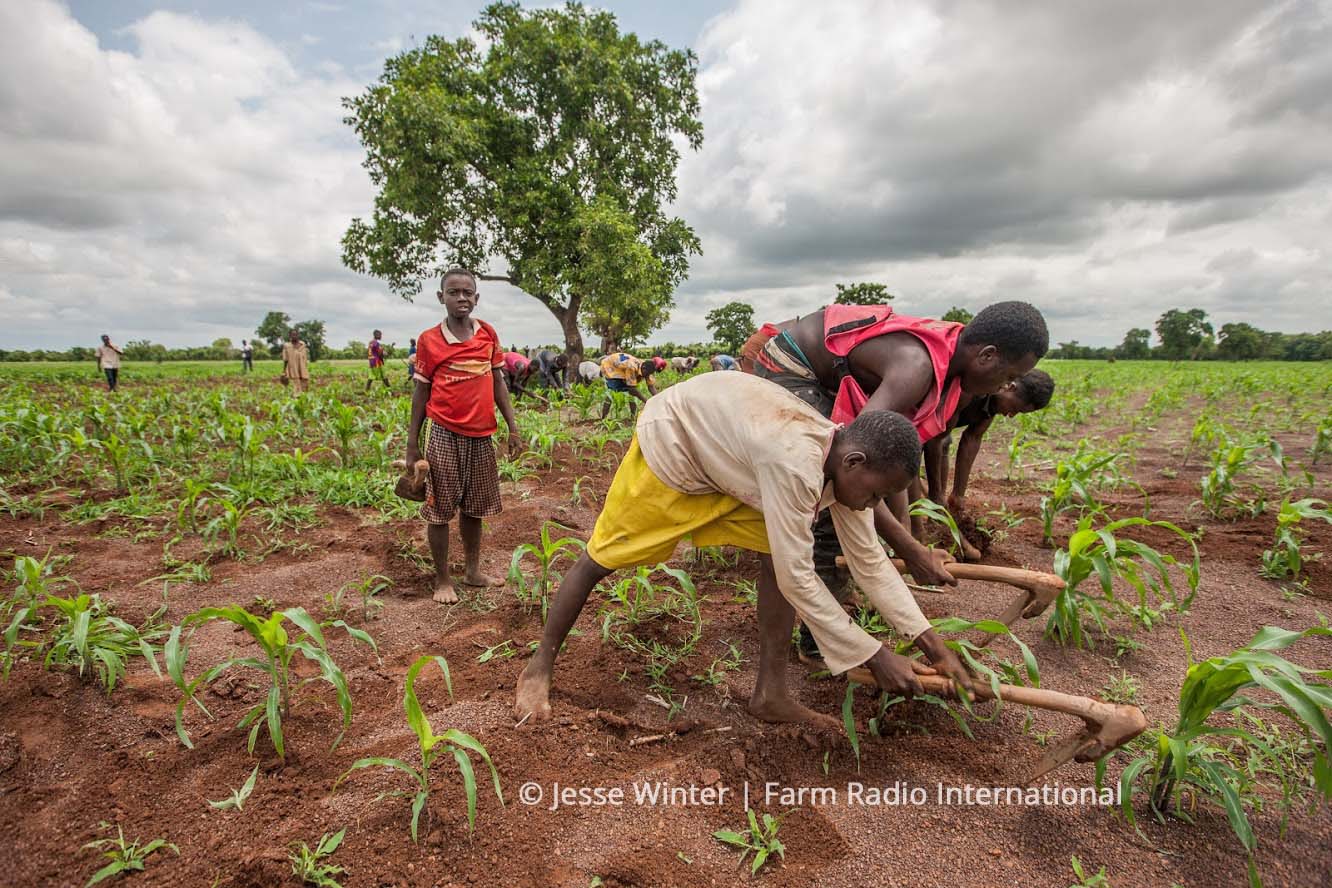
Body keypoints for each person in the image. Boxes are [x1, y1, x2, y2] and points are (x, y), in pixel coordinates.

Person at [514, 372, 970, 725]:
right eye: (875, 495)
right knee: (600, 559)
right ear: (854, 462)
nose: (873, 506)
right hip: (674, 445)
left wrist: (932, 645)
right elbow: (801, 580)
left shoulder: (839, 463)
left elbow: (869, 562)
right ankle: (539, 667)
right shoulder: (794, 465)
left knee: (779, 554)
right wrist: (874, 654)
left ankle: (770, 694)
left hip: (731, 459)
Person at [744, 301, 1048, 593]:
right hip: (792, 365)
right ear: (987, 356)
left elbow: (896, 465)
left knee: (854, 493)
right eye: (1008, 377)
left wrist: (905, 537)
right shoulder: (916, 369)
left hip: (827, 377)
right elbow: (858, 462)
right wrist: (911, 550)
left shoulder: (948, 375)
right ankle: (818, 634)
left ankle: (839, 584)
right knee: (831, 488)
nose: (1000, 388)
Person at [405, 268, 521, 604]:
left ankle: (472, 571)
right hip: (443, 433)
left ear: (476, 298)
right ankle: (442, 580)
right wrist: (413, 443)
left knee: (474, 508)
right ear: (441, 297)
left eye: (467, 293)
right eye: (453, 292)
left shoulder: (487, 334)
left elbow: (499, 383)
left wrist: (513, 427)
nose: (461, 298)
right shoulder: (429, 340)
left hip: (482, 435)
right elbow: (420, 394)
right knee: (440, 510)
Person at [925, 369, 1055, 522]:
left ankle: (937, 511)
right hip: (920, 420)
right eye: (1014, 409)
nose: (1011, 415)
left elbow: (972, 439)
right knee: (937, 444)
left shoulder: (992, 405)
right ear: (1011, 387)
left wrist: (958, 494)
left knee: (944, 444)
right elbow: (935, 440)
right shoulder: (971, 389)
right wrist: (935, 495)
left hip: (938, 434)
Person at [599, 351, 658, 419]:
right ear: (643, 368)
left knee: (632, 394)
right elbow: (632, 389)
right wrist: (646, 401)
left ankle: (633, 417)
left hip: (622, 367)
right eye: (646, 374)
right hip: (610, 367)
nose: (646, 377)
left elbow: (651, 386)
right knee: (612, 392)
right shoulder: (631, 367)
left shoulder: (647, 368)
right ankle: (603, 418)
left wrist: (659, 399)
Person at [281, 329, 311, 394]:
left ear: (298, 335)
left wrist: (305, 366)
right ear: (290, 336)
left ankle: (303, 396)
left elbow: (305, 357)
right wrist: (284, 371)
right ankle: (296, 395)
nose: (294, 336)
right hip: (292, 367)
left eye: (295, 334)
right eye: (292, 334)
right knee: (295, 383)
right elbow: (285, 359)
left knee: (304, 381)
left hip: (302, 367)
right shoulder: (287, 346)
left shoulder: (303, 345)